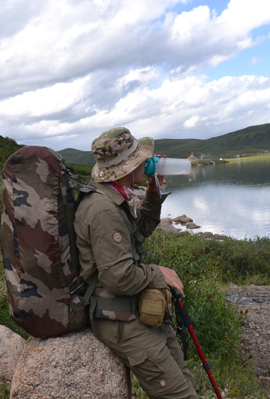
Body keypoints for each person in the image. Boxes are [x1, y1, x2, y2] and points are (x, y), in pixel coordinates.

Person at [74, 127, 198, 399]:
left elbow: (141, 229)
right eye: (142, 160)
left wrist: (154, 190)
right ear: (129, 167)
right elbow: (118, 277)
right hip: (122, 322)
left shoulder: (115, 196)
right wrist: (158, 273)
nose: (147, 162)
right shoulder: (103, 209)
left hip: (139, 311)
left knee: (188, 386)